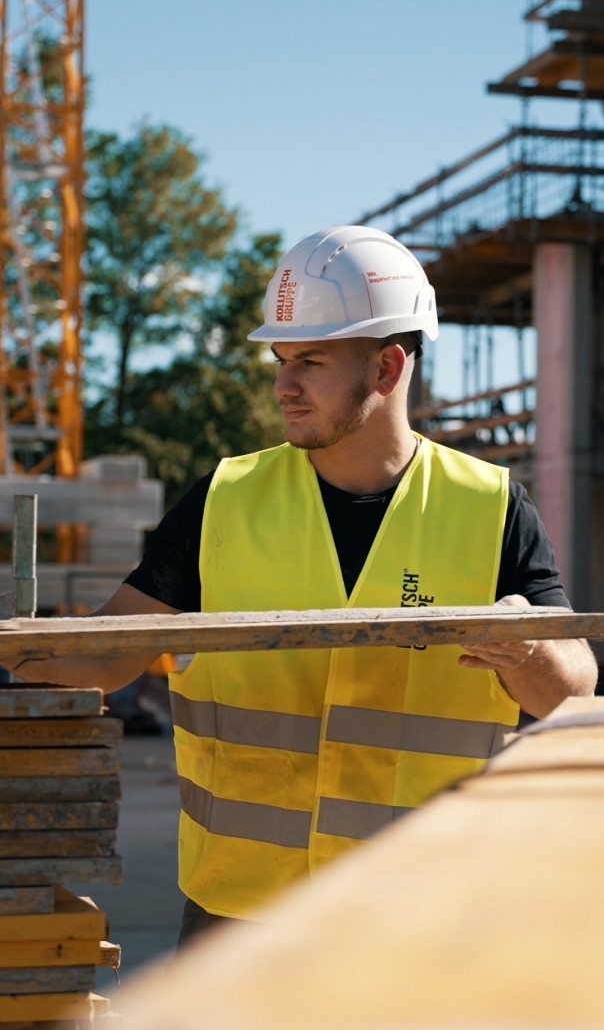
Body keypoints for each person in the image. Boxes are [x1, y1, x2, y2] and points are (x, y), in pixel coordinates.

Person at [8, 225, 597, 941]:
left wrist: (528, 650)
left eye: (310, 361)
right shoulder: (226, 498)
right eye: (281, 359)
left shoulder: (490, 507)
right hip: (237, 913)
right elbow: (106, 651)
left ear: (386, 368)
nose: (283, 384)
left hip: (422, 913)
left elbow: (573, 691)